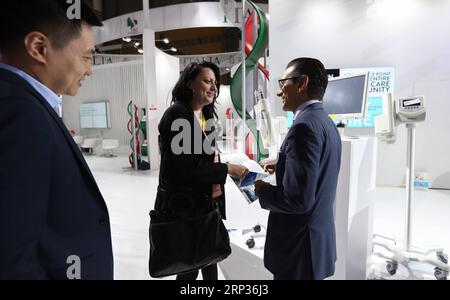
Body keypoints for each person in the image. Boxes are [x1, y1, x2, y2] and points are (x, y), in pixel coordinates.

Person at [0, 1, 114, 279]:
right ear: (39, 47)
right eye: (86, 57)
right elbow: (11, 258)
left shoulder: (25, 104)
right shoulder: (20, 113)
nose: (89, 70)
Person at [156, 62, 248, 280]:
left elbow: (207, 158)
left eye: (215, 82)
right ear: (190, 83)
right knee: (191, 267)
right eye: (207, 81)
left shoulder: (207, 116)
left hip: (207, 205)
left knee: (208, 261)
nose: (214, 87)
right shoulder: (179, 114)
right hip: (186, 209)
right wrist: (228, 169)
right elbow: (186, 168)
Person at [255, 58, 342, 280]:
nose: (278, 92)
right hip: (315, 243)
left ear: (302, 83)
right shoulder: (325, 122)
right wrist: (284, 164)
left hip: (298, 251)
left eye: (282, 82)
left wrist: (259, 188)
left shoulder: (303, 127)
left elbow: (297, 200)